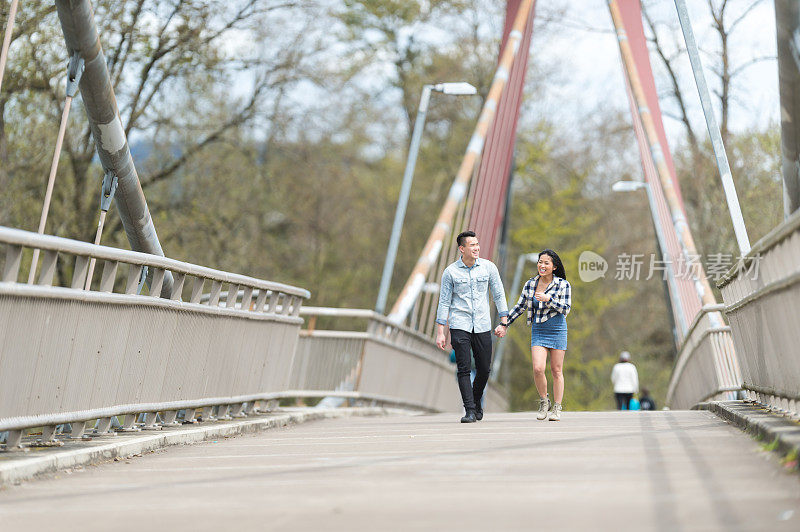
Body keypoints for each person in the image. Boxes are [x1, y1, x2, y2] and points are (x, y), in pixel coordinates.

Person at [436, 231, 509, 423]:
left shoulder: (488, 267)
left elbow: (499, 294)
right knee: (464, 369)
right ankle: (469, 410)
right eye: (472, 245)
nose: (476, 248)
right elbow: (444, 302)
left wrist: (504, 321)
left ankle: (476, 401)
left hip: (483, 324)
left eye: (477, 244)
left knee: (484, 369)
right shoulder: (450, 272)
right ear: (462, 249)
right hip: (460, 324)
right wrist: (440, 332)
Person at [496, 249, 571, 421]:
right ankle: (545, 401)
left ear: (554, 267)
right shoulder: (530, 284)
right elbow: (520, 306)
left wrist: (548, 300)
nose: (542, 265)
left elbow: (566, 308)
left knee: (556, 370)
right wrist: (504, 323)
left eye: (546, 263)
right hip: (538, 330)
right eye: (540, 262)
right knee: (538, 368)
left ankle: (557, 408)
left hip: (558, 329)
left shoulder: (562, 285)